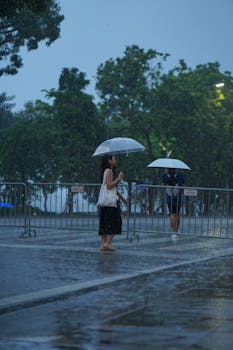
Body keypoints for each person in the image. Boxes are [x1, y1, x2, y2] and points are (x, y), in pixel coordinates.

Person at [98, 154, 128, 251]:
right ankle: (108, 243)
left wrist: (123, 199)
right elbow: (109, 186)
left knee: (104, 223)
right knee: (115, 221)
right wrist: (119, 178)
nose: (116, 161)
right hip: (111, 203)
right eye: (114, 159)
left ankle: (103, 244)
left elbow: (112, 188)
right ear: (109, 161)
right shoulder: (109, 171)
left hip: (105, 202)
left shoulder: (106, 171)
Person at [162, 168, 185, 233]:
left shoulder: (165, 176)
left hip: (169, 198)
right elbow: (183, 184)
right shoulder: (179, 176)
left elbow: (163, 183)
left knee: (172, 214)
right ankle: (177, 230)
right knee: (177, 214)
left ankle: (174, 231)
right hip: (178, 198)